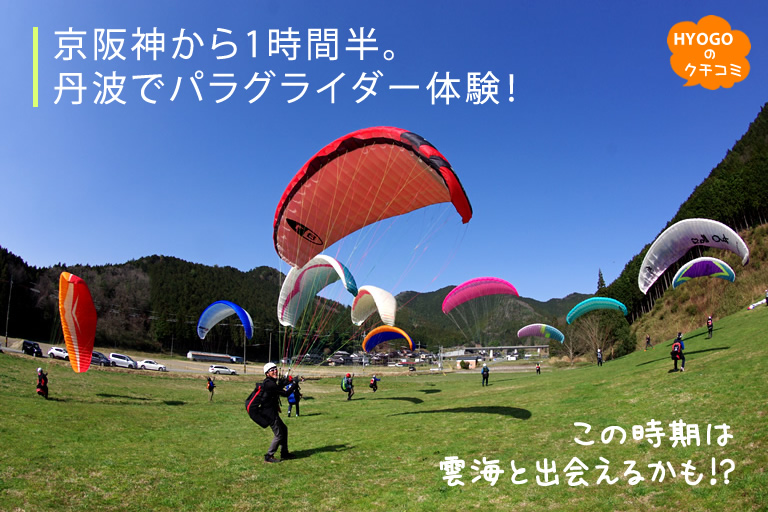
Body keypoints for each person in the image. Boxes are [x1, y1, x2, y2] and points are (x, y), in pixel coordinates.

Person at [261, 362, 298, 463]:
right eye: (272, 370)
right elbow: (285, 393)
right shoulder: (269, 384)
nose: (275, 371)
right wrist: (294, 384)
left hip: (271, 411)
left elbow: (278, 388)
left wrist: (286, 381)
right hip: (269, 413)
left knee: (284, 429)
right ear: (267, 373)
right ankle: (269, 455)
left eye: (275, 369)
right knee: (279, 435)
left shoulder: (271, 382)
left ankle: (284, 453)